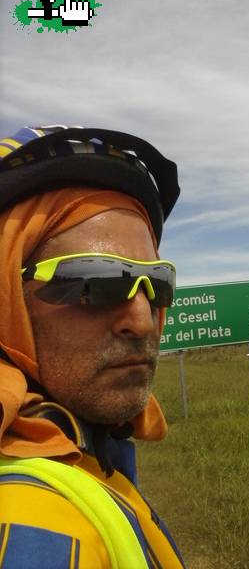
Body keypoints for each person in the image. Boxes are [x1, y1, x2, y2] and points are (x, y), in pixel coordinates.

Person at [0, 125, 186, 568]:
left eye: (156, 284)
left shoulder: (89, 452)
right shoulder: (32, 524)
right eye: (94, 283)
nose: (142, 321)